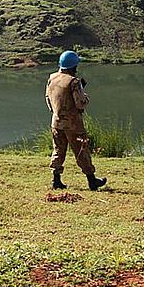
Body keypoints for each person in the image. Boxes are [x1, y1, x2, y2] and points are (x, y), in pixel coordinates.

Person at [45, 50, 107, 191]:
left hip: (56, 122)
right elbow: (81, 103)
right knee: (81, 151)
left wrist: (56, 112)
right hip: (73, 124)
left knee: (58, 150)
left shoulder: (52, 78)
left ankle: (56, 180)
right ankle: (92, 181)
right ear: (73, 66)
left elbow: (48, 99)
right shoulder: (74, 82)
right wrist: (84, 94)